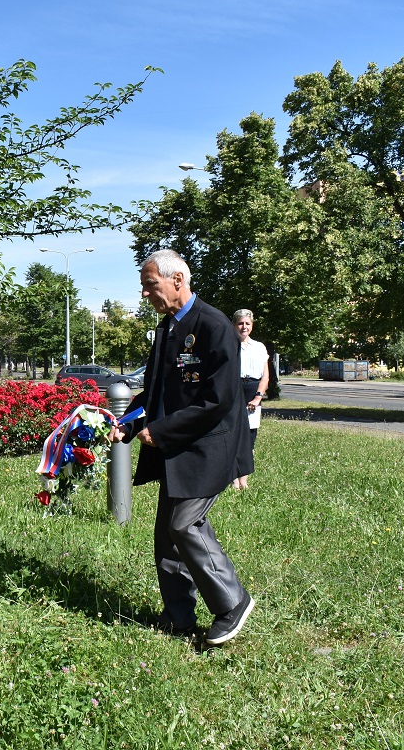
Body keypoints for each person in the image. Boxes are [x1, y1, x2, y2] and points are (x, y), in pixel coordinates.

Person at [109, 249, 254, 645]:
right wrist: (128, 422)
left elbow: (218, 400)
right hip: (176, 450)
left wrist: (161, 431)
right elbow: (155, 393)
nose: (145, 294)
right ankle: (179, 617)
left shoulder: (213, 326)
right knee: (165, 537)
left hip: (207, 447)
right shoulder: (168, 329)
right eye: (143, 286)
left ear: (178, 279)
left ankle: (232, 603)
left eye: (149, 285)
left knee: (184, 524)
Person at [232, 309, 269, 489]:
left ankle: (243, 479)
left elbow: (265, 377)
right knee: (232, 437)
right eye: (240, 323)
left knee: (249, 438)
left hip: (253, 395)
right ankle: (232, 479)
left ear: (252, 326)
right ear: (234, 325)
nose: (244, 327)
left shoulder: (260, 347)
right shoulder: (229, 344)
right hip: (233, 393)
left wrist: (258, 397)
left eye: (247, 323)